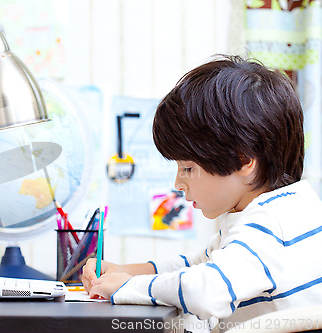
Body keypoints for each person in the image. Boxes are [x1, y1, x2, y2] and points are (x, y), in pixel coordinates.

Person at [82, 55, 322, 329]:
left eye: (187, 168)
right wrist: (127, 271)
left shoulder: (270, 224)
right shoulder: (291, 208)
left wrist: (128, 286)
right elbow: (201, 263)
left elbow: (206, 291)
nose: (178, 183)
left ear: (244, 161)